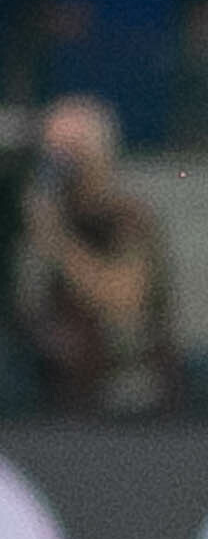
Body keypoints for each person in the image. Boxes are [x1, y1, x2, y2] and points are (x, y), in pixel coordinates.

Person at [13, 95, 179, 414]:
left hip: (125, 387)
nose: (59, 161)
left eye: (71, 148)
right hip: (54, 386)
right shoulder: (44, 215)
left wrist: (58, 241)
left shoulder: (127, 219)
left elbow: (126, 298)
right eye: (52, 148)